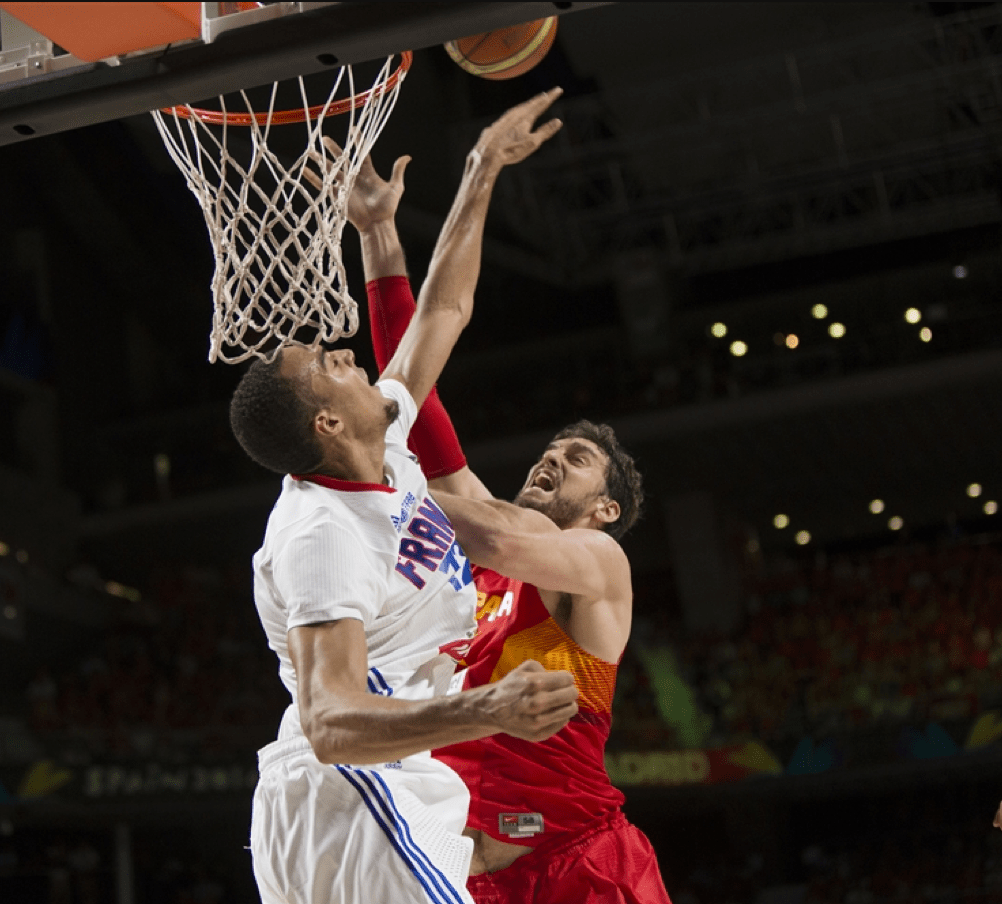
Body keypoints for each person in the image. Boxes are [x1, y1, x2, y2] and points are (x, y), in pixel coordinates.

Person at [229, 90, 580, 904]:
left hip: (360, 788)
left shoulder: (381, 441)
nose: (345, 352)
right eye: (327, 365)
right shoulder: (322, 532)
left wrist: (478, 169)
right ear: (325, 421)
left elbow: (444, 310)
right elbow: (331, 721)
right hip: (348, 788)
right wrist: (490, 707)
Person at [351, 110, 672, 904]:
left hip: (582, 866)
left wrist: (363, 482)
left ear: (605, 509)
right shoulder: (486, 547)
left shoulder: (598, 563)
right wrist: (379, 237)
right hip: (470, 880)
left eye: (577, 459)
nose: (551, 458)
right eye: (552, 448)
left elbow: (492, 534)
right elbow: (412, 400)